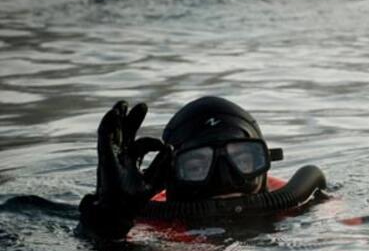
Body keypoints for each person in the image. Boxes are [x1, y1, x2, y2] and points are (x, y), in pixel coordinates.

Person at [78, 96, 327, 240]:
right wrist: (109, 224)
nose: (225, 178)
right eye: (197, 165)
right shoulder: (150, 227)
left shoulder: (306, 205)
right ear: (171, 176)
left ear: (264, 161)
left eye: (242, 160)